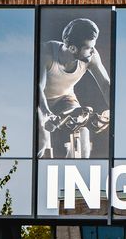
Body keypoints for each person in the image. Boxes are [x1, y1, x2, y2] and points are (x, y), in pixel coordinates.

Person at [37, 18, 111, 158]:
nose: (93, 51)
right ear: (72, 48)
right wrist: (47, 115)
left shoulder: (92, 57)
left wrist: (116, 110)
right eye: (88, 47)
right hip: (40, 101)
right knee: (42, 142)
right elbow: (38, 88)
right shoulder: (46, 53)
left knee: (83, 130)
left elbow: (106, 85)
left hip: (65, 98)